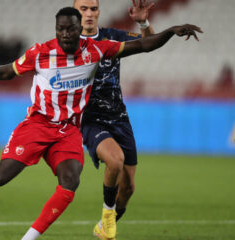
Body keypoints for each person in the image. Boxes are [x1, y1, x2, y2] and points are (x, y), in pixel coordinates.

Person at [0, 7, 202, 240]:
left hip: (68, 131)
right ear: (56, 30)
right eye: (60, 29)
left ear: (79, 29)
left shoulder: (96, 50)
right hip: (37, 124)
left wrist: (171, 31)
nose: (64, 34)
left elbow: (144, 44)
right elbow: (9, 71)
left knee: (70, 181)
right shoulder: (41, 53)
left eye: (70, 29)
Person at [73, 0, 156, 238]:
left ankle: (104, 225)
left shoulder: (112, 37)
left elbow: (149, 42)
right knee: (115, 160)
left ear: (99, 12)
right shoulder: (68, 44)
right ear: (75, 12)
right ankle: (108, 217)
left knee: (128, 187)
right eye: (83, 9)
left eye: (93, 9)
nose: (89, 14)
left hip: (119, 118)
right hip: (90, 120)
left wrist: (143, 22)